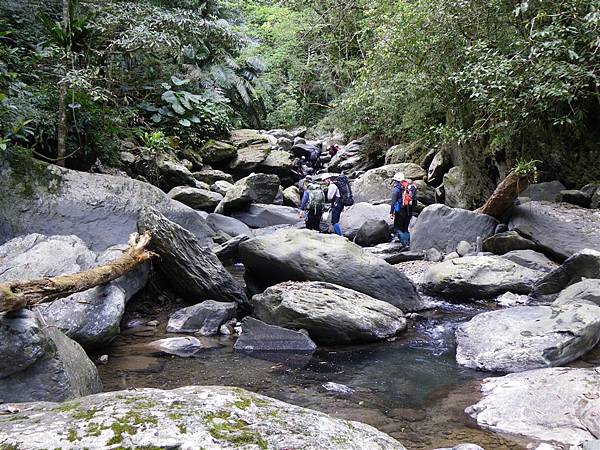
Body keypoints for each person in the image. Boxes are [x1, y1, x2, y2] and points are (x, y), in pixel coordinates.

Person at [390, 172, 416, 246]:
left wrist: (391, 212)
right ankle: (410, 244)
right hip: (409, 210)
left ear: (396, 181)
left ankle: (405, 245)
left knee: (397, 229)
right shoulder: (408, 188)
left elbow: (393, 202)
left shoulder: (396, 190)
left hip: (400, 212)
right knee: (405, 229)